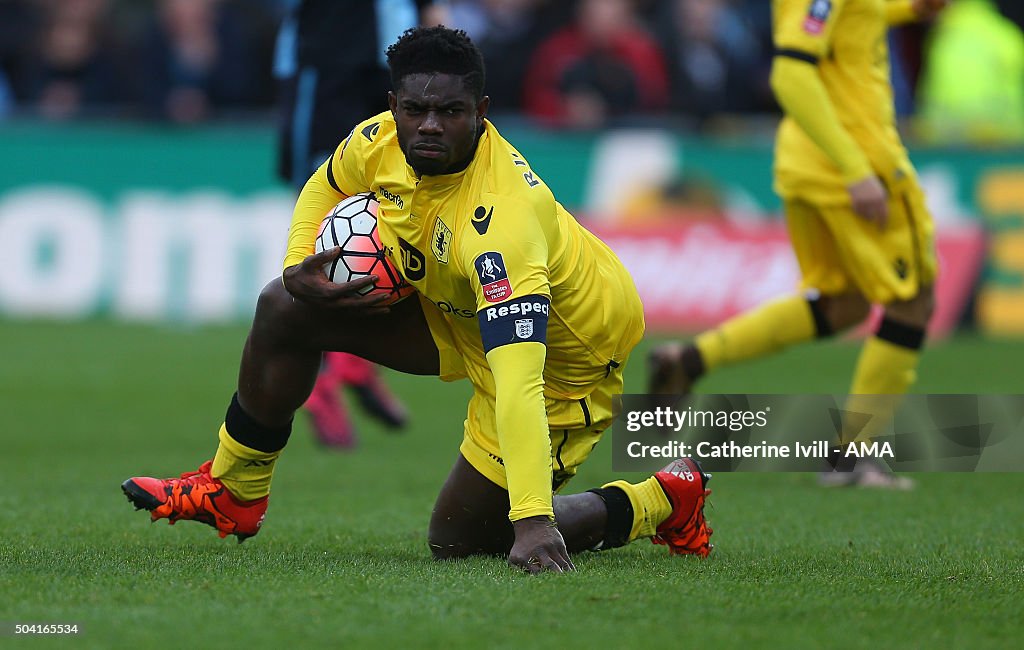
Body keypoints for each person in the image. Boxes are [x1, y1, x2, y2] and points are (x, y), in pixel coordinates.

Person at [121, 26, 712, 573]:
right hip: (455, 308)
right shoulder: (378, 141)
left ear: (481, 114)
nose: (429, 125)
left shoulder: (501, 222)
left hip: (565, 355)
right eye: (415, 110)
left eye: (450, 111)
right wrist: (299, 265)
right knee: (285, 306)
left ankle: (662, 498)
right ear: (394, 106)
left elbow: (519, 381)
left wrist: (532, 519)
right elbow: (326, 184)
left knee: (460, 541)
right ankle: (234, 492)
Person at [648, 0, 950, 488]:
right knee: (911, 301)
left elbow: (849, 20)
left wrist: (908, 9)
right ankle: (853, 456)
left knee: (842, 303)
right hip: (853, 165)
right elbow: (791, 74)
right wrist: (855, 171)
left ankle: (690, 359)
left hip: (809, 164)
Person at [274, 0, 446, 447]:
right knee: (328, 219)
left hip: (391, 69)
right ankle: (326, 377)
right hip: (329, 64)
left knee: (394, 219)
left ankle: (352, 363)